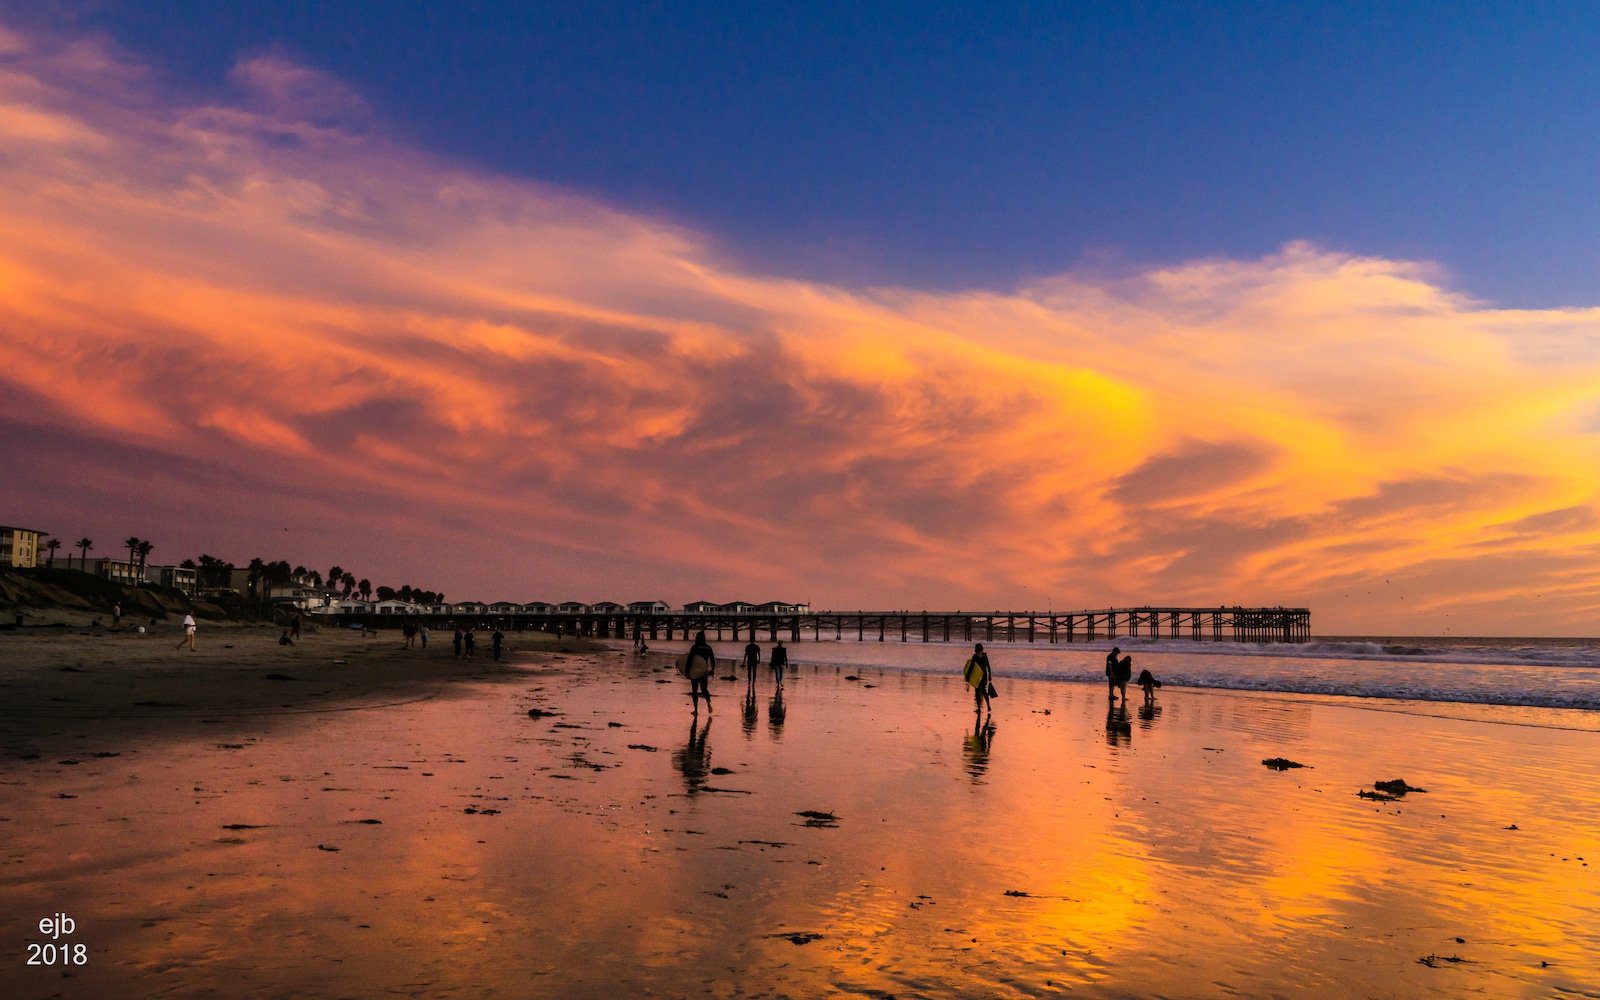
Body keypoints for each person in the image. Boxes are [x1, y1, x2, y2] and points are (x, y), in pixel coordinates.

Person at [686, 630, 715, 714]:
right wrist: (712, 670)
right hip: (703, 671)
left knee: (694, 690)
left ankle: (696, 710)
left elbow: (690, 660)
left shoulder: (694, 647)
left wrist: (687, 671)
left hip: (695, 671)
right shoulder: (708, 648)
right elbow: (712, 660)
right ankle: (708, 703)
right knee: (704, 689)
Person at [969, 642, 993, 715]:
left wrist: (967, 675)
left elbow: (971, 667)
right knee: (984, 691)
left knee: (977, 692)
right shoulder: (985, 656)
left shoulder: (975, 656)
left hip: (978, 676)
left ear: (976, 649)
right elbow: (988, 666)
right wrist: (990, 675)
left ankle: (979, 708)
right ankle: (988, 705)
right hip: (984, 675)